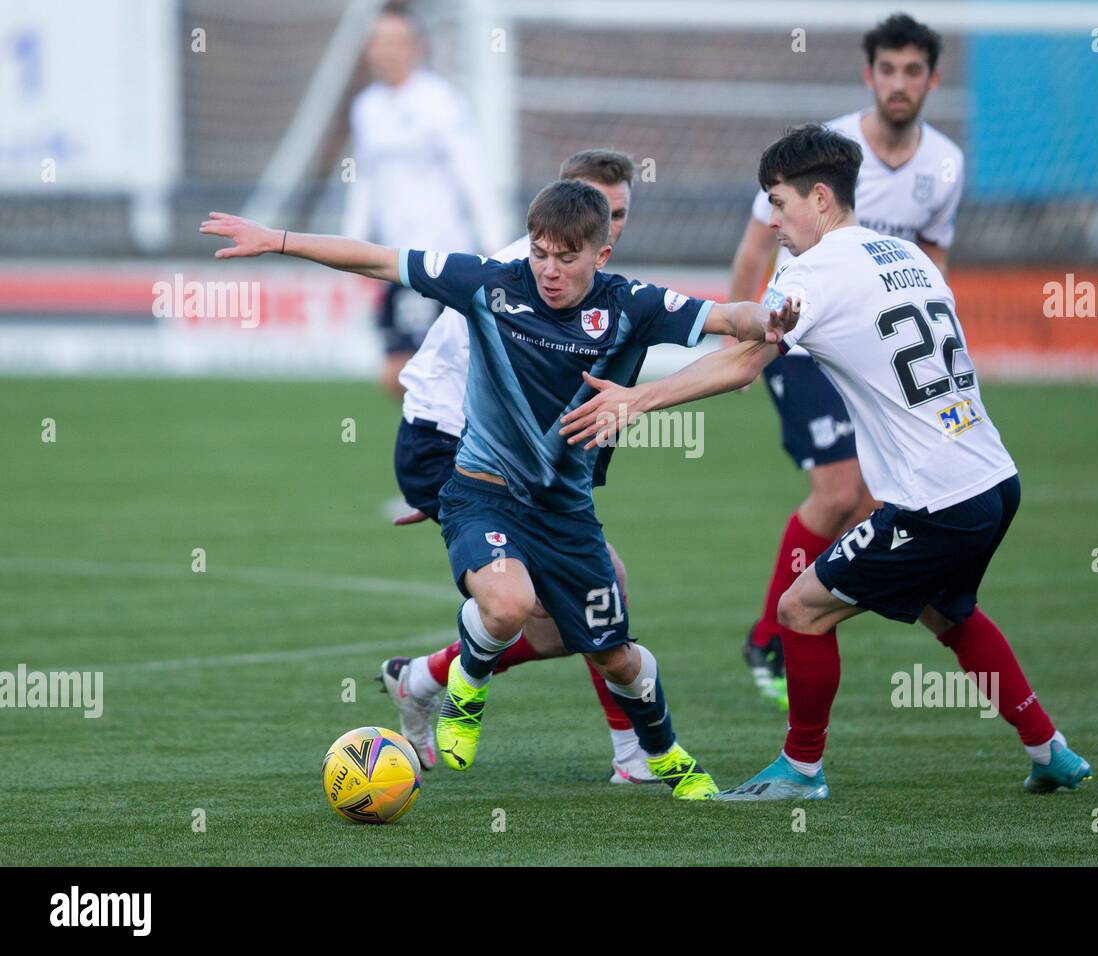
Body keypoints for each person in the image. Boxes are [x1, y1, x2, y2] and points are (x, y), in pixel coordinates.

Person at [199, 180, 791, 800]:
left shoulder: (633, 304)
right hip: (481, 493)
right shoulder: (490, 283)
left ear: (602, 254)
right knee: (507, 605)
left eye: (566, 258)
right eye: (540, 253)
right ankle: (467, 691)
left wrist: (770, 315)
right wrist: (278, 240)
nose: (549, 271)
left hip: (565, 514)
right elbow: (376, 257)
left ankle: (665, 755)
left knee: (616, 656)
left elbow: (731, 317)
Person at [560, 125, 1094, 800]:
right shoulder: (909, 256)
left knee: (800, 609)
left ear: (819, 197)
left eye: (779, 204)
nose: (774, 221)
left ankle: (802, 769)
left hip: (934, 499)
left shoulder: (813, 272)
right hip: (992, 477)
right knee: (949, 614)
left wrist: (638, 399)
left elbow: (744, 362)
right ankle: (1052, 751)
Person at [384, 149, 659, 784]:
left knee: (575, 614)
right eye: (598, 207)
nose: (609, 224)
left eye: (619, 213)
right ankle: (630, 756)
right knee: (596, 588)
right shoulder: (526, 271)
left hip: (490, 454)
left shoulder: (586, 276)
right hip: (447, 441)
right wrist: (448, 485)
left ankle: (423, 678)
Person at [728, 13, 963, 709]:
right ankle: (772, 634)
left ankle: (802, 619)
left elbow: (933, 261)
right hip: (803, 337)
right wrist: (738, 344)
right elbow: (753, 249)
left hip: (875, 351)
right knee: (837, 493)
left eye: (911, 71)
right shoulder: (820, 157)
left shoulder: (944, 165)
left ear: (931, 80)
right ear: (869, 75)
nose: (898, 83)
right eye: (886, 70)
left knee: (870, 502)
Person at [342, 6, 507, 398]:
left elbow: (473, 177)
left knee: (437, 373)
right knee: (399, 376)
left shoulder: (441, 102)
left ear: (417, 48)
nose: (388, 51)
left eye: (397, 42)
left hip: (444, 259)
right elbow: (364, 181)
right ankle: (446, 447)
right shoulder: (366, 108)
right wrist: (351, 244)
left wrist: (495, 246)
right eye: (381, 42)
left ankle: (466, 450)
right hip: (396, 261)